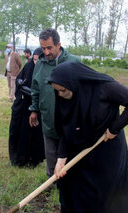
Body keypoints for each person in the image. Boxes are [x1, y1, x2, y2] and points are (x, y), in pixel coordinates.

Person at [50, 62, 128, 213]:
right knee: (79, 187)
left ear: (74, 83)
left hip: (107, 147)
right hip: (80, 148)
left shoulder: (104, 88)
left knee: (109, 187)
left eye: (62, 90)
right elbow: (65, 129)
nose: (60, 95)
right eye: (57, 91)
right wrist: (61, 157)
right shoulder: (63, 96)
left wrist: (114, 128)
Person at [29, 28, 80, 178]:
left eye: (49, 48)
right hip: (48, 117)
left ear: (59, 45)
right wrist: (34, 109)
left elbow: (84, 90)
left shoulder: (73, 62)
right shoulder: (41, 64)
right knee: (51, 152)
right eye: (43, 48)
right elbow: (35, 88)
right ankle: (51, 180)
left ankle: (71, 181)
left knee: (69, 152)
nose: (46, 52)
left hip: (69, 119)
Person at [9, 48, 45, 167]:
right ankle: (17, 158)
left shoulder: (45, 71)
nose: (35, 62)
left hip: (36, 108)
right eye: (34, 60)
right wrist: (21, 85)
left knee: (33, 134)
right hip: (22, 105)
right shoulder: (28, 66)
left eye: (38, 60)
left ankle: (33, 159)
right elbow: (20, 81)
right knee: (17, 130)